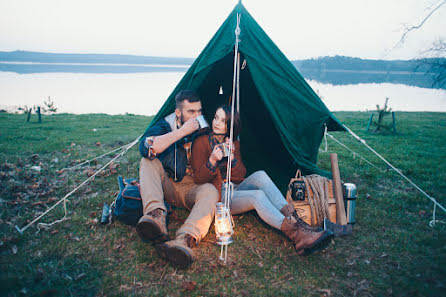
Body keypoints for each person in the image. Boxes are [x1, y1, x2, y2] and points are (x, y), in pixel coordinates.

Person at [191, 105, 334, 255]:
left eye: (223, 120)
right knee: (256, 196)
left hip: (235, 187)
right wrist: (212, 160)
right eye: (216, 118)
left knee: (260, 175)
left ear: (230, 125)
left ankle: (299, 223)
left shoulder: (232, 141)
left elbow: (241, 174)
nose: (217, 123)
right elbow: (199, 179)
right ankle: (297, 236)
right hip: (221, 197)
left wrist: (232, 158)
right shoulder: (201, 142)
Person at [137, 89, 219, 269]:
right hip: (168, 185)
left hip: (192, 187)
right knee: (147, 161)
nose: (196, 116)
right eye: (191, 112)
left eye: (199, 111)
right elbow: (146, 147)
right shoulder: (165, 125)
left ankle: (184, 240)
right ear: (178, 113)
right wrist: (181, 132)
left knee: (210, 191)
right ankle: (156, 217)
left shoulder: (204, 127)